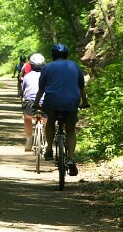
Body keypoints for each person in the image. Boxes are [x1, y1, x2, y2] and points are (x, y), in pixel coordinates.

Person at [33, 43, 89, 176]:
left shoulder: (47, 67)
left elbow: (41, 89)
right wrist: (85, 102)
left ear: (53, 55)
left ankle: (49, 149)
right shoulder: (74, 66)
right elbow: (81, 87)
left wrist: (36, 103)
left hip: (52, 102)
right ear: (66, 54)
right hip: (71, 102)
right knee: (70, 130)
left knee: (50, 121)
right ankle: (70, 158)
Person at [21, 53, 47, 151]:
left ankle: (29, 141)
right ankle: (47, 141)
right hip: (45, 103)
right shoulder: (48, 76)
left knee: (27, 118)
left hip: (31, 103)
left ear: (31, 65)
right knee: (48, 121)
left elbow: (24, 92)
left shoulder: (27, 76)